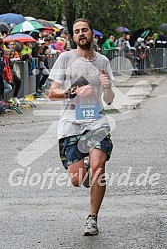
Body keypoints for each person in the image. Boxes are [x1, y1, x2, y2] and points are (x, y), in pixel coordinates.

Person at [48, 18, 115, 236]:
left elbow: (110, 99)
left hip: (96, 120)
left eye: (84, 30)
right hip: (71, 124)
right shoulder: (65, 59)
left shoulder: (103, 60)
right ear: (73, 36)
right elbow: (52, 92)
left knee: (99, 165)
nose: (81, 34)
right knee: (77, 180)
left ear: (92, 34)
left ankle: (92, 218)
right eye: (76, 31)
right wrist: (72, 92)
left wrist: (106, 88)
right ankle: (83, 169)